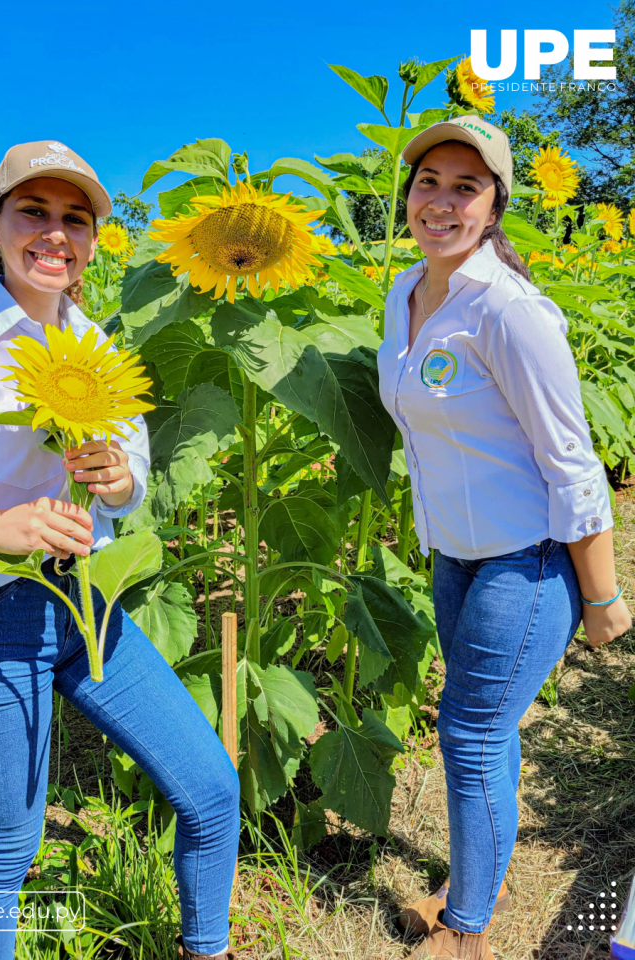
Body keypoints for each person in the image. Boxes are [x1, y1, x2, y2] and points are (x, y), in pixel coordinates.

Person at [0, 141, 239, 960]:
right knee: (9, 848)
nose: (55, 235)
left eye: (76, 219)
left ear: (95, 241)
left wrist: (115, 480)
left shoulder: (99, 348)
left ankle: (207, 947)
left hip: (85, 609)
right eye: (33, 211)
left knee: (212, 792)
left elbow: (136, 475)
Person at [376, 117, 632, 960]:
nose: (440, 202)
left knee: (471, 731)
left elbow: (574, 463)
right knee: (485, 730)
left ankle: (468, 933)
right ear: (406, 195)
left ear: (495, 207)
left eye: (466, 187)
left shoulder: (511, 312)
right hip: (455, 557)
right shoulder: (405, 295)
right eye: (428, 183)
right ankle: (473, 881)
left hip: (527, 562)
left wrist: (602, 596)